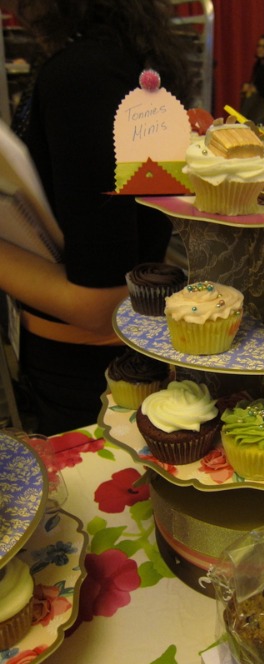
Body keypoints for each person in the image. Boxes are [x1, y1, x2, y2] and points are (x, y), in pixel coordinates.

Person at [0, 0, 194, 434]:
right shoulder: (130, 57)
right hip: (113, 357)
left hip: (84, 371)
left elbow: (99, 302)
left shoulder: (83, 74)